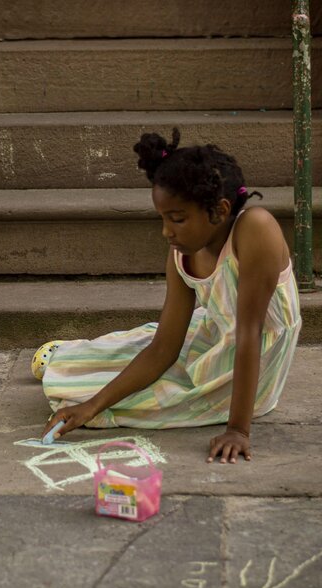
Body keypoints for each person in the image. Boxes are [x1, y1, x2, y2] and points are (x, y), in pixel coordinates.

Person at [32, 128, 301, 463]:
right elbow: (163, 348)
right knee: (120, 367)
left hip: (255, 358)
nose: (166, 231)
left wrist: (238, 430)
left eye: (177, 219)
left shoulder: (255, 229)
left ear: (219, 210)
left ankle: (73, 367)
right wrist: (91, 406)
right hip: (218, 332)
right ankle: (70, 359)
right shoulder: (182, 253)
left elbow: (249, 333)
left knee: (149, 401)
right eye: (163, 219)